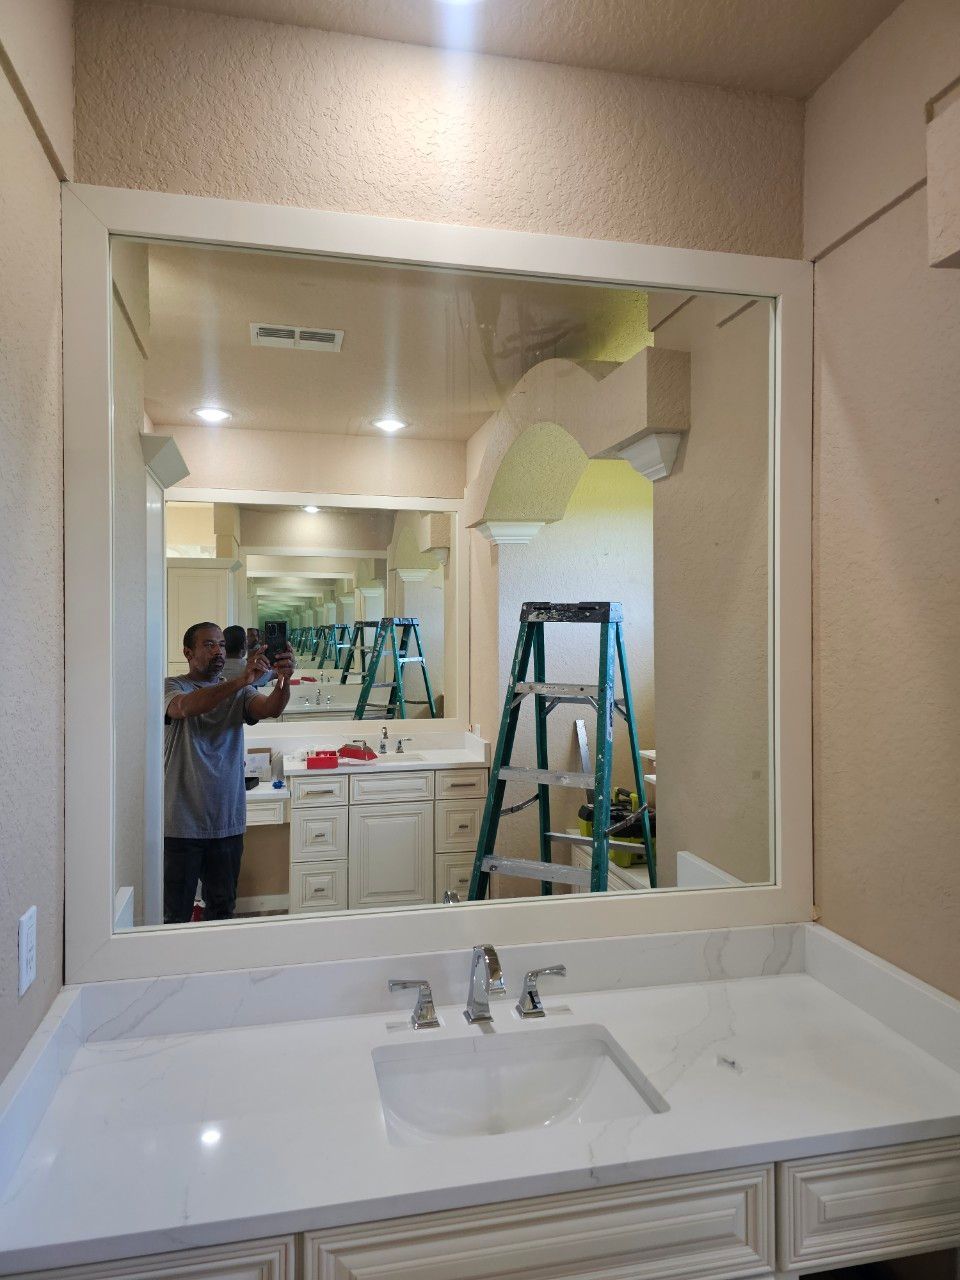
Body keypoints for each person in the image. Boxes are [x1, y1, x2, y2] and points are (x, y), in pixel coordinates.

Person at [163, 621, 295, 924]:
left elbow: (270, 709)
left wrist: (283, 681)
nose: (218, 651)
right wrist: (239, 681)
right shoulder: (173, 685)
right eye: (209, 645)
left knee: (222, 910)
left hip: (227, 822)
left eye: (222, 644)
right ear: (188, 652)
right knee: (176, 914)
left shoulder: (241, 692)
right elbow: (183, 708)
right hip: (181, 824)